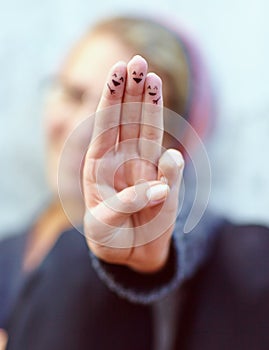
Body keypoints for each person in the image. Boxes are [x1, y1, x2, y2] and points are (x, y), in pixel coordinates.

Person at [1, 16, 269, 350]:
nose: (82, 129)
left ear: (173, 145)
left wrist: (150, 261)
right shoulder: (6, 251)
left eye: (122, 114)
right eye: (72, 94)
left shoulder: (226, 261)